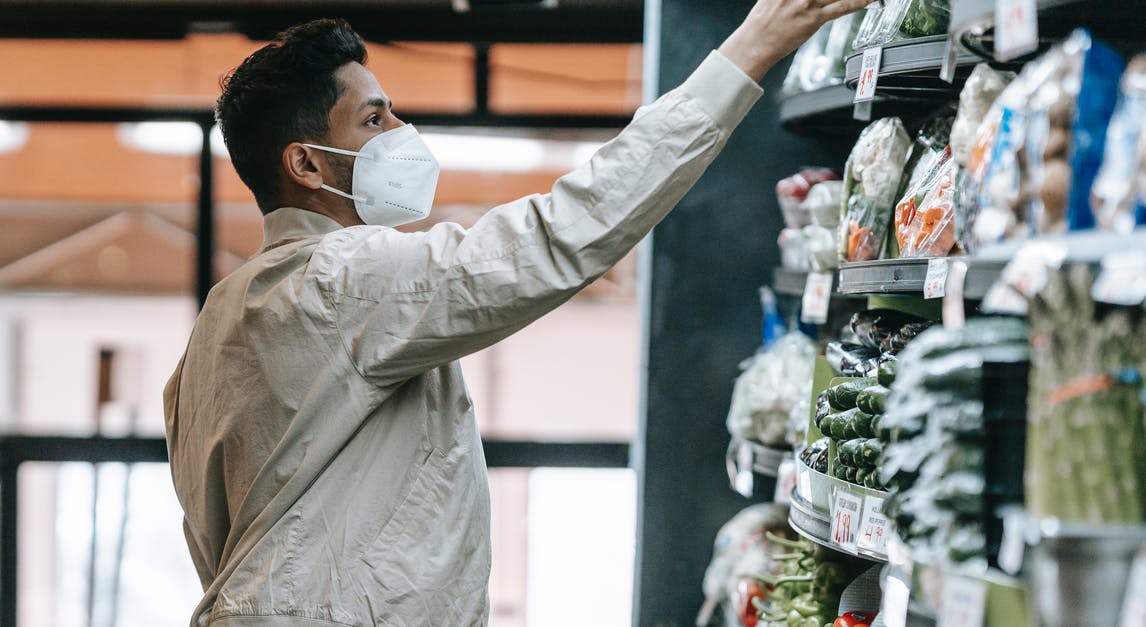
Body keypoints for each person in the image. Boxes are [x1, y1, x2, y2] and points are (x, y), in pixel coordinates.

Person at [163, 1, 868, 625]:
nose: (401, 132)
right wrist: (747, 51)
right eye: (374, 119)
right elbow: (562, 234)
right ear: (306, 165)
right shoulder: (338, 281)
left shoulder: (223, 320)